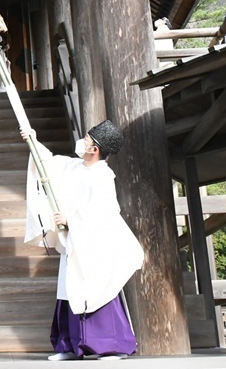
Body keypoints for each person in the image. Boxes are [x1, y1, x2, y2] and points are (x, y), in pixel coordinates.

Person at [22, 121, 144, 361]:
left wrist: (70, 221)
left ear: (94, 149)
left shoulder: (102, 176)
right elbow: (49, 164)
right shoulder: (75, 167)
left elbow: (103, 212)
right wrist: (33, 140)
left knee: (99, 289)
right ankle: (69, 346)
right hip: (75, 242)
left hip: (95, 244)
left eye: (87, 139)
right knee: (69, 290)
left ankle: (112, 346)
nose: (83, 141)